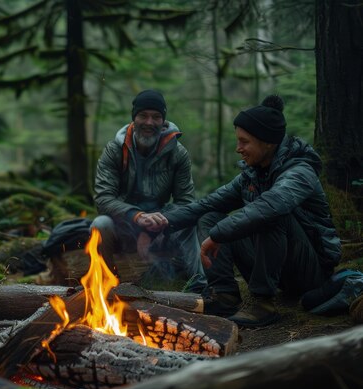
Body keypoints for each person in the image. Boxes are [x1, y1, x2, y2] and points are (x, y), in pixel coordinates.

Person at [153, 95, 341, 328]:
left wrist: (219, 234)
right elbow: (209, 203)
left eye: (244, 142)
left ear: (268, 143)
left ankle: (263, 304)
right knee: (209, 216)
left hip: (310, 273)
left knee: (270, 215)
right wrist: (162, 222)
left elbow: (271, 206)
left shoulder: (300, 171)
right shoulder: (252, 174)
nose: (238, 149)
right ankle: (224, 295)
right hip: (278, 268)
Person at [91, 89, 206, 291]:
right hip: (124, 226)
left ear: (164, 122)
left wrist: (158, 227)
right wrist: (138, 217)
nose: (149, 122)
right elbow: (103, 198)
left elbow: (186, 202)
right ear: (133, 119)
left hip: (162, 227)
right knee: (100, 224)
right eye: (143, 115)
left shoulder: (177, 153)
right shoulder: (115, 150)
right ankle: (108, 290)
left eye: (156, 117)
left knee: (191, 220)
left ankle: (198, 287)